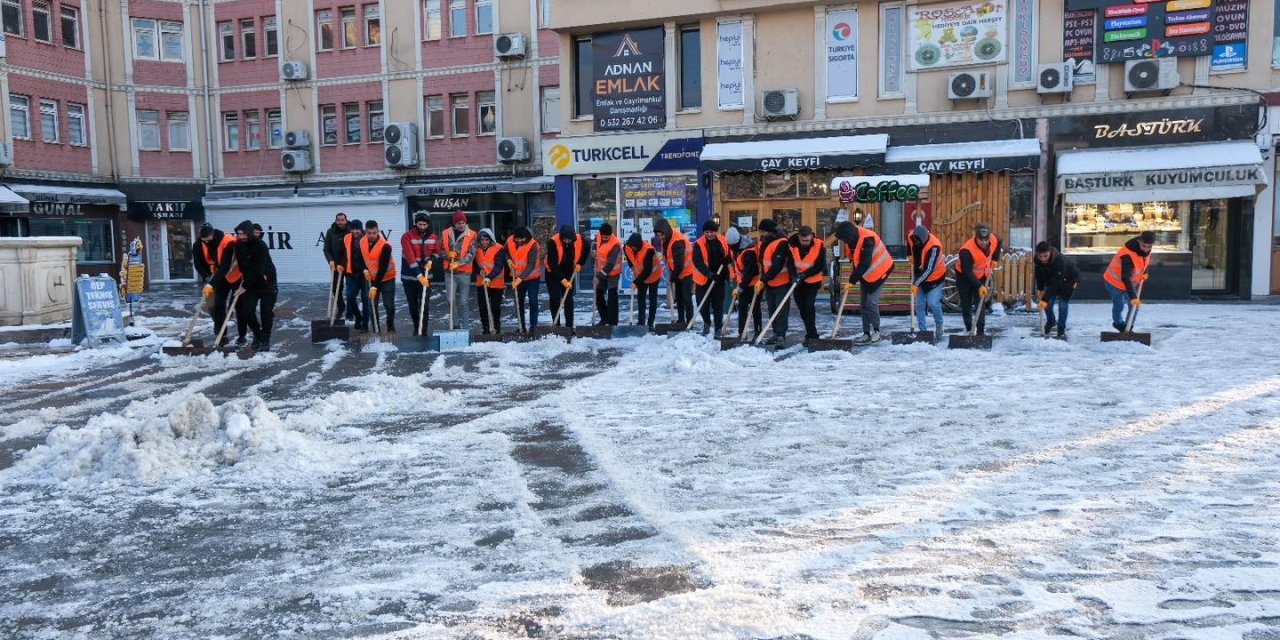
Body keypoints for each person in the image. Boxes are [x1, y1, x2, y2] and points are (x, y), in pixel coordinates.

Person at [834, 219, 894, 344]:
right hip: (866, 275)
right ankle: (866, 333)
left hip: (881, 271)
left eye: (843, 239)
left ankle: (877, 331)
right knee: (863, 304)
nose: (843, 242)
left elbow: (865, 263)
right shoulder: (850, 241)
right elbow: (854, 259)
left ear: (849, 236)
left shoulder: (868, 238)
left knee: (871, 302)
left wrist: (851, 280)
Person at [232, 220, 277, 351]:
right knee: (248, 310)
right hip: (251, 284)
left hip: (267, 282)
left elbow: (258, 269)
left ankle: (266, 338)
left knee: (266, 312)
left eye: (243, 234)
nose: (241, 237)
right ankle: (257, 335)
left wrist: (244, 286)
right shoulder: (239, 246)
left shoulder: (260, 245)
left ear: (250, 233)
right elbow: (242, 267)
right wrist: (243, 282)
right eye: (239, 234)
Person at [954, 223, 1003, 336]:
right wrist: (979, 286)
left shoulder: (993, 239)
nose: (984, 242)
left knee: (980, 304)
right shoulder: (966, 250)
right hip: (964, 278)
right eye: (981, 239)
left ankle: (980, 332)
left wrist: (995, 258)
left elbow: (999, 241)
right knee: (966, 305)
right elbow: (966, 272)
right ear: (976, 236)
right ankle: (969, 329)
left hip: (981, 276)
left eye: (986, 240)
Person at [198, 223, 242, 347]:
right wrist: (209, 278)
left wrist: (211, 283)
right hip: (220, 275)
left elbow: (226, 265)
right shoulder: (207, 242)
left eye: (207, 239)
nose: (205, 242)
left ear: (212, 234)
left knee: (237, 305)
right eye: (203, 240)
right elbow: (210, 261)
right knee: (218, 304)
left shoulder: (228, 242)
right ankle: (220, 335)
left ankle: (242, 336)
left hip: (235, 274)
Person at [1103, 230, 1153, 333]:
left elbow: (1145, 261)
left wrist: (1145, 272)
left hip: (1132, 283)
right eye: (1144, 246)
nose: (1146, 249)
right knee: (1119, 304)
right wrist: (1133, 297)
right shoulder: (1127, 255)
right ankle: (1118, 324)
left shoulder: (1146, 250)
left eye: (1149, 247)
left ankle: (1128, 327)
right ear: (1139, 242)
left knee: (1134, 306)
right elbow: (1125, 278)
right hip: (1114, 283)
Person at [754, 219, 794, 346]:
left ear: (770, 231)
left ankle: (781, 335)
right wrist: (763, 279)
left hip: (782, 281)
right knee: (772, 310)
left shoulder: (781, 243)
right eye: (760, 231)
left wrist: (763, 279)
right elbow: (762, 261)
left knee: (781, 310)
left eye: (763, 231)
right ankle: (775, 333)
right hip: (769, 282)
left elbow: (777, 266)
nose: (761, 233)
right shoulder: (763, 241)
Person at [400, 212, 441, 336]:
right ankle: (416, 326)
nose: (422, 227)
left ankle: (423, 331)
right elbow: (410, 257)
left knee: (424, 304)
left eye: (424, 224)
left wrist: (431, 260)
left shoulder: (433, 237)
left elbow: (437, 252)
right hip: (409, 277)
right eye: (420, 224)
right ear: (415, 223)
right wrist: (419, 275)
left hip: (426, 277)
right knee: (413, 305)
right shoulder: (407, 236)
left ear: (428, 224)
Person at [691, 220, 732, 336]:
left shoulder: (722, 240)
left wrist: (727, 259)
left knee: (718, 304)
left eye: (712, 232)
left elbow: (728, 254)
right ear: (704, 232)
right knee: (702, 304)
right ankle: (707, 323)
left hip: (719, 278)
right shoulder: (698, 244)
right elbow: (697, 262)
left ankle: (718, 328)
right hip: (703, 279)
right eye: (707, 232)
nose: (710, 234)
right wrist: (709, 274)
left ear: (716, 231)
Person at [907, 224, 947, 340]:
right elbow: (909, 242)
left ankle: (939, 325)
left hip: (935, 277)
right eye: (915, 241)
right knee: (919, 304)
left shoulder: (934, 246)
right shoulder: (911, 236)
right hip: (919, 275)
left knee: (933, 303)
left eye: (919, 243)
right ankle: (923, 332)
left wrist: (915, 283)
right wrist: (909, 254)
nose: (917, 244)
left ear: (924, 240)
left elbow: (929, 269)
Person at [1033, 241, 1080, 338]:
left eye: (1045, 256)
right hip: (1052, 281)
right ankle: (1051, 321)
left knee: (1062, 306)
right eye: (1040, 256)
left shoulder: (1059, 261)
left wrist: (1044, 299)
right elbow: (1039, 275)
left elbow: (1056, 283)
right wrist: (1040, 288)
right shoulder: (1037, 260)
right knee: (1048, 304)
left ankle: (1061, 331)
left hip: (1069, 281)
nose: (1043, 259)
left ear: (1050, 252)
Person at [789, 226, 828, 342]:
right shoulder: (791, 244)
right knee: (802, 309)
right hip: (798, 283)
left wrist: (805, 275)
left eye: (807, 240)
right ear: (798, 237)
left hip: (813, 281)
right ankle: (810, 333)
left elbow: (820, 266)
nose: (805, 242)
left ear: (812, 236)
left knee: (809, 307)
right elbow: (790, 263)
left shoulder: (819, 245)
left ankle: (812, 335)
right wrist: (793, 276)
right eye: (802, 240)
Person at [545, 225, 587, 329]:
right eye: (565, 239)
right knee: (555, 297)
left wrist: (580, 263)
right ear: (561, 237)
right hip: (552, 272)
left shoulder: (580, 240)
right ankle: (556, 325)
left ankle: (569, 326)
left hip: (568, 271)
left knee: (568, 298)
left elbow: (586, 250)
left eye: (569, 239)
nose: (567, 241)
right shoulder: (553, 242)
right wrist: (562, 280)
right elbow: (552, 264)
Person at [653, 218, 693, 325]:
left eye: (661, 235)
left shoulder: (677, 241)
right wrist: (671, 272)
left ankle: (690, 323)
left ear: (666, 231)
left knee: (686, 298)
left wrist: (671, 279)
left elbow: (679, 264)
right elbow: (668, 257)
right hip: (676, 272)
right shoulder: (666, 240)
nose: (660, 237)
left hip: (686, 272)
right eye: (658, 235)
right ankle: (681, 320)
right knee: (679, 297)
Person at [441, 210, 476, 329]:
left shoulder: (472, 234)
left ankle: (465, 327)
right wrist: (447, 255)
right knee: (451, 301)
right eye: (458, 223)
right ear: (454, 224)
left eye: (463, 222)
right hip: (449, 272)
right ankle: (455, 325)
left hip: (464, 273)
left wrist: (459, 263)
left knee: (463, 302)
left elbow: (471, 253)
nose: (461, 225)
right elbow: (440, 249)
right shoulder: (445, 233)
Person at [360, 220, 397, 334]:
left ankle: (390, 325)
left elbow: (382, 267)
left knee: (389, 305)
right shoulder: (362, 241)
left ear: (378, 231)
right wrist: (364, 269)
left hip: (387, 278)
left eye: (374, 233)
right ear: (365, 232)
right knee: (372, 305)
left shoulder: (385, 246)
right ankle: (376, 330)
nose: (371, 235)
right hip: (370, 278)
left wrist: (375, 286)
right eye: (369, 233)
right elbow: (361, 258)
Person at [729, 227, 763, 340]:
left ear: (738, 241)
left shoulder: (749, 251)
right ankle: (741, 333)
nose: (731, 248)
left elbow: (751, 272)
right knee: (742, 307)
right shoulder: (735, 248)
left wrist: (740, 288)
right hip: (742, 284)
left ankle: (758, 331)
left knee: (755, 308)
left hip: (754, 284)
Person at [506, 226, 542, 331]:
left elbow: (531, 264)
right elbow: (504, 251)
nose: (519, 241)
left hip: (532, 278)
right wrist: (508, 259)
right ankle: (521, 326)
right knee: (518, 301)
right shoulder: (510, 240)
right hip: (516, 276)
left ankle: (533, 326)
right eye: (517, 238)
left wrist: (520, 278)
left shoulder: (533, 245)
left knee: (533, 301)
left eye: (522, 239)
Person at [624, 232, 661, 330]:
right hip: (641, 276)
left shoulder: (649, 250)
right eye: (632, 247)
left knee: (652, 300)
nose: (633, 249)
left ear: (639, 245)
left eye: (634, 247)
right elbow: (628, 256)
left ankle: (650, 323)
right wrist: (632, 268)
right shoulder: (628, 247)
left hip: (653, 276)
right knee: (641, 299)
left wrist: (636, 282)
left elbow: (647, 271)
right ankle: (641, 322)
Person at [474, 228, 505, 335]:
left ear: (491, 239)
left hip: (496, 283)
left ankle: (496, 326)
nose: (484, 242)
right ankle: (486, 328)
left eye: (487, 239)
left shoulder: (499, 248)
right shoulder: (476, 249)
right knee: (483, 307)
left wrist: (489, 277)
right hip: (481, 283)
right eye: (482, 240)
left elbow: (499, 266)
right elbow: (473, 265)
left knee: (495, 306)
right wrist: (479, 271)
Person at [342, 220, 371, 332]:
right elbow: (344, 253)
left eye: (357, 229)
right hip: (351, 274)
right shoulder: (347, 238)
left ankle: (365, 324)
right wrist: (341, 265)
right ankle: (358, 317)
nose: (355, 231)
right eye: (353, 229)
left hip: (365, 275)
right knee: (350, 297)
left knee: (365, 299)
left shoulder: (367, 238)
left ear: (361, 229)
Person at [593, 223, 622, 327]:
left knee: (612, 297)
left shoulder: (615, 245)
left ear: (611, 234)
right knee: (598, 295)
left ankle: (613, 323)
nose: (605, 238)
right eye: (603, 236)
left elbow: (610, 264)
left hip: (613, 273)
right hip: (601, 272)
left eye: (607, 237)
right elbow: (596, 245)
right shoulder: (599, 236)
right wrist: (594, 252)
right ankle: (604, 318)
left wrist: (599, 276)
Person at [322, 212, 350, 319]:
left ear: (346, 221)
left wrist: (344, 263)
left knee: (351, 289)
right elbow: (326, 249)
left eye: (342, 220)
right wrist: (330, 261)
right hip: (336, 265)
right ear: (336, 220)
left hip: (349, 265)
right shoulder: (330, 232)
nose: (340, 222)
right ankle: (341, 307)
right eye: (338, 220)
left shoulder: (351, 231)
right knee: (336, 288)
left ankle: (350, 311)